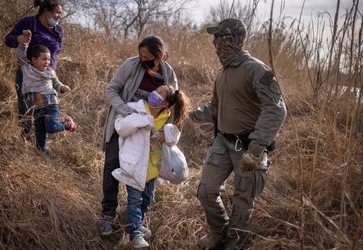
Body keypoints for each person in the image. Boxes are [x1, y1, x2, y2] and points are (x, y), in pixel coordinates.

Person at [189, 18, 287, 249]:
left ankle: (233, 241)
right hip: (223, 142)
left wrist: (256, 146)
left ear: (234, 39)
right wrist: (191, 114)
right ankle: (219, 233)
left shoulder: (256, 69)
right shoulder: (222, 74)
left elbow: (276, 108)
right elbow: (215, 108)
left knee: (243, 199)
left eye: (219, 38)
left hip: (249, 147)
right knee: (206, 191)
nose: (214, 44)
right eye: (214, 39)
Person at [100, 35, 178, 236]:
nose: (143, 58)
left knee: (145, 174)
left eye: (147, 56)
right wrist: (127, 112)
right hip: (124, 126)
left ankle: (136, 220)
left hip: (150, 135)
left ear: (159, 56)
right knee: (112, 165)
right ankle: (108, 215)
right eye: (141, 54)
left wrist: (165, 131)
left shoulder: (168, 74)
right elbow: (111, 89)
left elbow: (174, 104)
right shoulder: (131, 65)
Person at [112, 85, 189, 248]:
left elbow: (174, 137)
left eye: (161, 93)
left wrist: (165, 134)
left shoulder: (167, 117)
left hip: (153, 168)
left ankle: (137, 224)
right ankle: (135, 234)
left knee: (147, 200)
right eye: (157, 89)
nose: (155, 92)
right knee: (134, 200)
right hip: (134, 165)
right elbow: (120, 128)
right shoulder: (135, 109)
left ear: (165, 104)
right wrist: (142, 120)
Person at [5, 0, 64, 139]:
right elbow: (8, 40)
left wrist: (51, 72)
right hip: (28, 74)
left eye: (61, 14)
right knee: (26, 110)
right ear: (46, 12)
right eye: (57, 13)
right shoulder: (29, 23)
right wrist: (19, 39)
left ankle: (41, 146)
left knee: (45, 112)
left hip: (47, 78)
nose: (59, 16)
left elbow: (57, 52)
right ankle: (24, 141)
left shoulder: (58, 30)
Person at [17, 37, 75, 154]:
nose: (47, 62)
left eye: (48, 60)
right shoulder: (27, 69)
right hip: (36, 106)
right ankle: (41, 154)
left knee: (51, 127)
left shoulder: (50, 72)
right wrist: (24, 44)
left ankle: (68, 125)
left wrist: (62, 88)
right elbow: (21, 56)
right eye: (44, 59)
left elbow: (56, 83)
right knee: (40, 132)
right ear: (33, 59)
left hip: (51, 103)